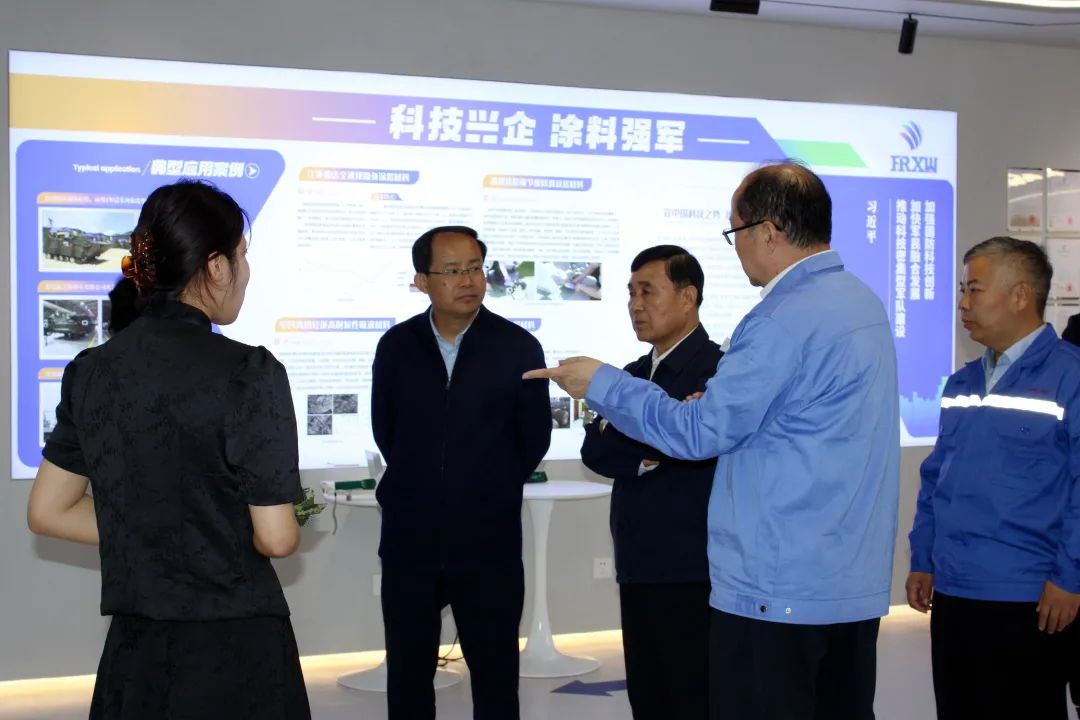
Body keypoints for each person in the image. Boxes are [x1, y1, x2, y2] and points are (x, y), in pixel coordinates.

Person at [525, 162, 900, 720]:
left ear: (767, 232)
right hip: (845, 583)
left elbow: (701, 432)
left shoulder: (781, 318)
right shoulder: (860, 302)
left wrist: (601, 383)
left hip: (776, 589)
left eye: (735, 232)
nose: (736, 248)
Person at [26, 180, 310, 720]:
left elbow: (48, 511)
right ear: (216, 266)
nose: (246, 271)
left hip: (137, 655)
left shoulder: (92, 370)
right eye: (242, 255)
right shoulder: (249, 372)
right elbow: (276, 536)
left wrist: (162, 534)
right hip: (236, 651)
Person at [371, 225, 551, 720]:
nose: (468, 280)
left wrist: (487, 486)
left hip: (488, 541)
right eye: (452, 270)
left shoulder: (517, 347)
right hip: (411, 539)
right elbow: (386, 430)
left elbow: (534, 437)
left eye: (475, 268)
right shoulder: (397, 346)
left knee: (495, 679)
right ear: (422, 281)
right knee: (408, 676)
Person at [906, 236, 1080, 720]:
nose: (963, 303)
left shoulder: (1070, 376)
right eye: (962, 290)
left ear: (1021, 295)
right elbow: (936, 478)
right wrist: (923, 557)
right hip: (955, 592)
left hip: (1029, 597)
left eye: (974, 290)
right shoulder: (962, 381)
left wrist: (1069, 578)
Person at [580, 245, 722, 720]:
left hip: (693, 569)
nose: (635, 305)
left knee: (693, 697)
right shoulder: (634, 374)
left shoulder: (718, 372)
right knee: (648, 696)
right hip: (638, 563)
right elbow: (595, 450)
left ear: (688, 297)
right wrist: (653, 448)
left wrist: (646, 440)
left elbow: (693, 446)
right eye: (631, 293)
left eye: (648, 291)